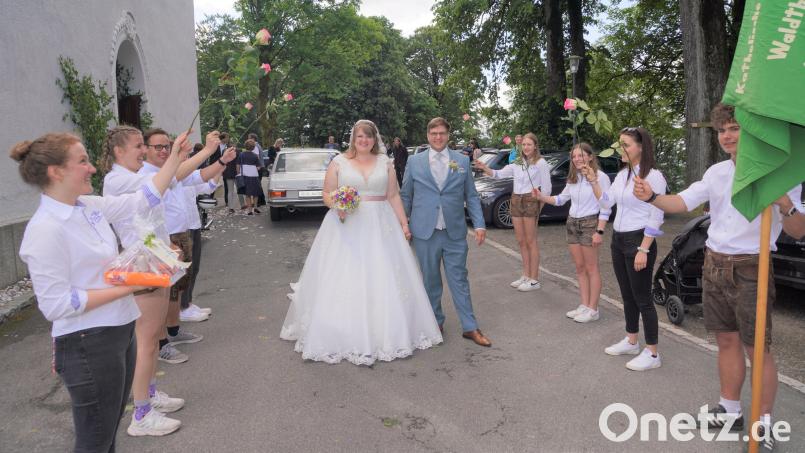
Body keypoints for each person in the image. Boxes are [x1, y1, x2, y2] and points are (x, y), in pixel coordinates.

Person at [633, 103, 805, 449]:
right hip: (714, 264)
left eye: (735, 128)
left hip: (752, 267)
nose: (727, 135)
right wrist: (651, 196)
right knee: (726, 341)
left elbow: (798, 230)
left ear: (752, 132)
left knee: (757, 349)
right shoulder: (716, 173)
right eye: (722, 130)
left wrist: (784, 202)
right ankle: (729, 410)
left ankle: (764, 423)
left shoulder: (780, 173)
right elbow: (682, 203)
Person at [13, 130, 190, 450]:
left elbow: (144, 199)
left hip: (118, 331)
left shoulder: (89, 206)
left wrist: (176, 154)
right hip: (87, 344)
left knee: (106, 436)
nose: (93, 168)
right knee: (95, 441)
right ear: (56, 172)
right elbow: (57, 305)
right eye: (82, 161)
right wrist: (132, 284)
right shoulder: (45, 229)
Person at [103, 126, 233, 436]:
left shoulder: (135, 175)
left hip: (155, 256)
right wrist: (186, 153)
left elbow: (172, 179)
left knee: (152, 335)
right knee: (147, 341)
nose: (142, 151)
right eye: (137, 146)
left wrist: (166, 247)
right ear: (119, 151)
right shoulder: (118, 179)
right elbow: (164, 182)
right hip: (141, 262)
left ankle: (149, 393)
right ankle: (141, 414)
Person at [280, 120, 443, 365]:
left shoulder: (385, 163)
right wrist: (337, 204)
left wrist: (404, 223)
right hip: (347, 226)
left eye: (368, 137)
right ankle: (342, 333)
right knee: (345, 277)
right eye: (359, 137)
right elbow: (326, 193)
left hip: (381, 225)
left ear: (374, 139)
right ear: (353, 140)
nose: (364, 141)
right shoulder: (339, 162)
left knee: (384, 275)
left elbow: (393, 195)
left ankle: (389, 332)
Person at [401, 117, 491, 347]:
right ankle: (435, 323)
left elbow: (470, 195)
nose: (438, 137)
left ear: (448, 135)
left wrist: (479, 224)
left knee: (459, 279)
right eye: (434, 134)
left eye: (442, 133)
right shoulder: (414, 161)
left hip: (454, 232)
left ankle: (470, 327)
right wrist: (402, 224)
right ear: (427, 136)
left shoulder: (461, 160)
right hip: (424, 232)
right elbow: (406, 196)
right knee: (430, 281)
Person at [586, 126, 667, 371]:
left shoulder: (653, 176)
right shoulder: (622, 175)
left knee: (643, 298)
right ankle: (632, 340)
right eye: (619, 144)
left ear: (641, 148)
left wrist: (644, 249)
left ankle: (652, 353)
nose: (621, 149)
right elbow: (607, 202)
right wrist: (593, 183)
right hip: (619, 239)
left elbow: (657, 213)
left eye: (626, 145)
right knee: (627, 294)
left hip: (638, 240)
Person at [534, 143, 611, 322]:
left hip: (590, 223)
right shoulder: (573, 177)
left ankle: (593, 309)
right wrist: (541, 197)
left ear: (590, 157)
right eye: (574, 156)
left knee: (592, 268)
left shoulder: (600, 177)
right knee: (580, 267)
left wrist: (599, 231)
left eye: (581, 155)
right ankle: (584, 305)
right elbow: (561, 199)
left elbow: (606, 206)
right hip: (572, 223)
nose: (577, 159)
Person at [474, 132, 551, 292]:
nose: (526, 147)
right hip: (516, 199)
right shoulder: (517, 162)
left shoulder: (541, 163)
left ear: (535, 146)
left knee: (531, 241)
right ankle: (526, 274)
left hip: (531, 200)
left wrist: (540, 206)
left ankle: (534, 279)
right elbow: (499, 174)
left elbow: (547, 188)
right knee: (521, 240)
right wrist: (485, 167)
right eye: (524, 144)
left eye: (529, 144)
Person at [238, 139, 263, 215]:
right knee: (255, 193)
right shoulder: (255, 156)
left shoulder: (241, 154)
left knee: (247, 194)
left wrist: (238, 173)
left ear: (245, 146)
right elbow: (258, 167)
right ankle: (255, 207)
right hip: (254, 176)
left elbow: (238, 165)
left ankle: (249, 210)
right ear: (253, 147)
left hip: (245, 176)